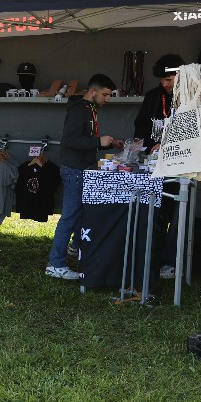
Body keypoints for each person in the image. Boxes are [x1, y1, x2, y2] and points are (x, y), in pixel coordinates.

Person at [45, 73, 122, 281]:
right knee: (70, 217)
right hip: (74, 170)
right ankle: (55, 263)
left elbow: (85, 139)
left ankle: (75, 247)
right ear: (93, 91)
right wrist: (98, 142)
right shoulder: (79, 110)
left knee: (79, 214)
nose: (108, 99)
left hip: (82, 168)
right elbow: (69, 140)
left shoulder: (90, 108)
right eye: (105, 94)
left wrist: (109, 143)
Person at [133, 53, 186, 279]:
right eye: (162, 79)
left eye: (169, 79)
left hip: (179, 165)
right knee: (155, 212)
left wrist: (168, 145)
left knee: (175, 214)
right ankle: (149, 259)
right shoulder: (153, 97)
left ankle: (169, 260)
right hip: (153, 165)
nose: (165, 84)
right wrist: (141, 146)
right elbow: (140, 125)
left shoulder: (189, 98)